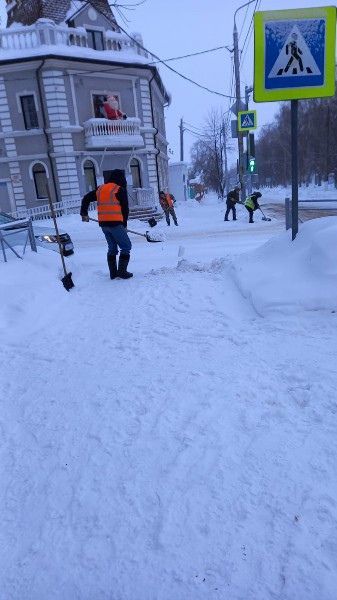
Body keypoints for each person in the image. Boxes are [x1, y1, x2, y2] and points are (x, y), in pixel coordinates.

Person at [81, 169, 133, 279]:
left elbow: (86, 198)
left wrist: (84, 213)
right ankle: (122, 272)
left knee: (112, 248)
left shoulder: (100, 189)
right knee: (126, 246)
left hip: (104, 225)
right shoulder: (119, 189)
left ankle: (113, 273)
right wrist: (124, 225)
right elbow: (125, 209)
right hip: (116, 224)